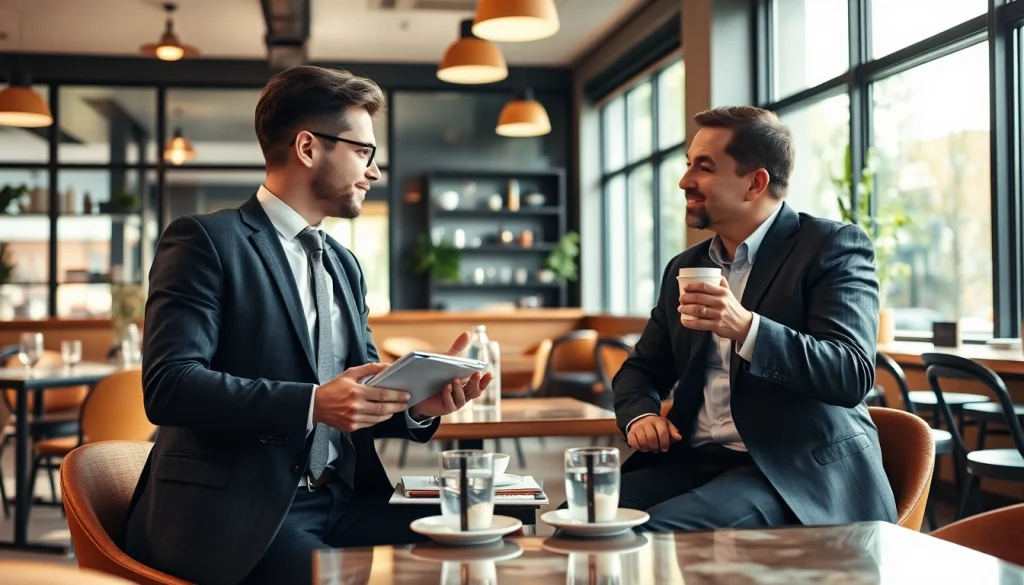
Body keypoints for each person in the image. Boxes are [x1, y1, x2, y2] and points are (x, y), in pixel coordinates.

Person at [123, 65, 492, 585]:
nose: (375, 171)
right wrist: (313, 403)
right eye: (363, 151)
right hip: (246, 513)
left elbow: (356, 393)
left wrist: (416, 405)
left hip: (345, 498)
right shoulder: (206, 241)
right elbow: (169, 386)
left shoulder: (344, 263)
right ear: (307, 148)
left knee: (494, 529)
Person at [613, 105, 897, 532]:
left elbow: (851, 372)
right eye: (689, 164)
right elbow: (642, 369)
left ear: (755, 182)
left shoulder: (830, 246)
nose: (685, 180)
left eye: (704, 167)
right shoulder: (684, 267)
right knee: (580, 517)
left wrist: (746, 328)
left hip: (788, 472)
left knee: (650, 532)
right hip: (694, 460)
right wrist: (642, 416)